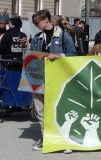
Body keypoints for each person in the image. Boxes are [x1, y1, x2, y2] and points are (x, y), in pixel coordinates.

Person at [27, 9, 77, 151]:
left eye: (38, 23)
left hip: (57, 79)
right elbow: (33, 56)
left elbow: (74, 55)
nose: (37, 26)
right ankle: (46, 138)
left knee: (58, 109)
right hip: (38, 78)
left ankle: (64, 140)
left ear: (46, 20)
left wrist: (59, 55)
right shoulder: (37, 38)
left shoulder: (63, 35)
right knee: (40, 110)